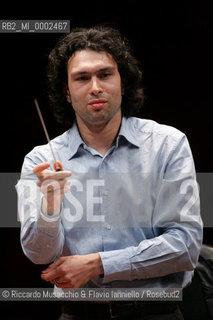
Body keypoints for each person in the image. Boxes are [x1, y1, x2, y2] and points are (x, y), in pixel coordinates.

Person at [17, 26, 203, 319]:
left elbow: (186, 245)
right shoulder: (39, 160)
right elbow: (38, 254)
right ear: (66, 92)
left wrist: (98, 263)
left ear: (123, 83)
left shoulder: (169, 144)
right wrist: (49, 208)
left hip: (157, 313)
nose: (95, 87)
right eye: (81, 78)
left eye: (105, 75)